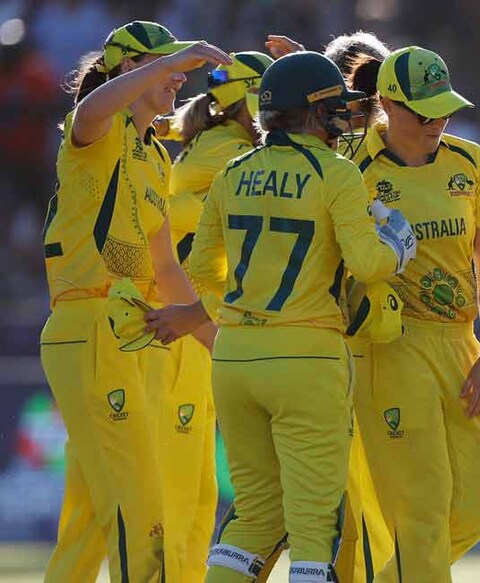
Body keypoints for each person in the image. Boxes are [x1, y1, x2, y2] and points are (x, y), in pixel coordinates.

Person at [145, 50, 416, 582]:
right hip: (307, 358)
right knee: (316, 524)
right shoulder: (335, 171)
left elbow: (202, 269)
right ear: (310, 111)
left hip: (236, 357)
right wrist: (397, 247)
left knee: (253, 516)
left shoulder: (234, 170)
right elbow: (367, 263)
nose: (344, 117)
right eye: (334, 107)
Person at [39, 20, 228, 582]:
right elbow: (93, 109)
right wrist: (174, 59)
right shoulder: (97, 129)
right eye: (165, 68)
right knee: (140, 517)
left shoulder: (154, 158)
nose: (179, 79)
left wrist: (221, 347)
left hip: (131, 330)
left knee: (93, 523)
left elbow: (167, 268)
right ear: (130, 68)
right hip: (91, 322)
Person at [344, 45, 480, 583]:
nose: (438, 120)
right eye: (424, 110)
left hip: (462, 346)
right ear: (388, 103)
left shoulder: (471, 162)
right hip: (391, 346)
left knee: (478, 510)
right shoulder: (353, 169)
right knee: (422, 517)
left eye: (444, 107)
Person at [151, 49, 272, 581]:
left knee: (204, 492)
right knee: (186, 494)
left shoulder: (215, 140)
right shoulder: (230, 151)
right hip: (189, 329)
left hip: (199, 326)